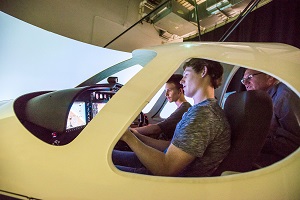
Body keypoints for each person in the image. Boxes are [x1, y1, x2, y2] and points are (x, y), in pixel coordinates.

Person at [112, 58, 231, 177]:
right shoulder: (199, 110)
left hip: (169, 180)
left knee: (97, 169)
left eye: (186, 75)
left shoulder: (204, 114)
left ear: (203, 71)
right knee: (109, 155)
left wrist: (127, 136)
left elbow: (167, 168)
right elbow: (171, 147)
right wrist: (137, 136)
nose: (182, 81)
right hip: (164, 164)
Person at [241, 69, 300, 166]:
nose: (245, 83)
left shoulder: (285, 96)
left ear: (270, 76)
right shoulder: (263, 99)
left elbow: (292, 144)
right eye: (243, 80)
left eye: (250, 77)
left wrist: (253, 142)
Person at [132, 74, 191, 141]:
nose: (166, 94)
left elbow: (156, 129)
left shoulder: (184, 109)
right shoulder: (182, 108)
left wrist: (131, 131)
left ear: (180, 91)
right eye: (166, 91)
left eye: (169, 90)